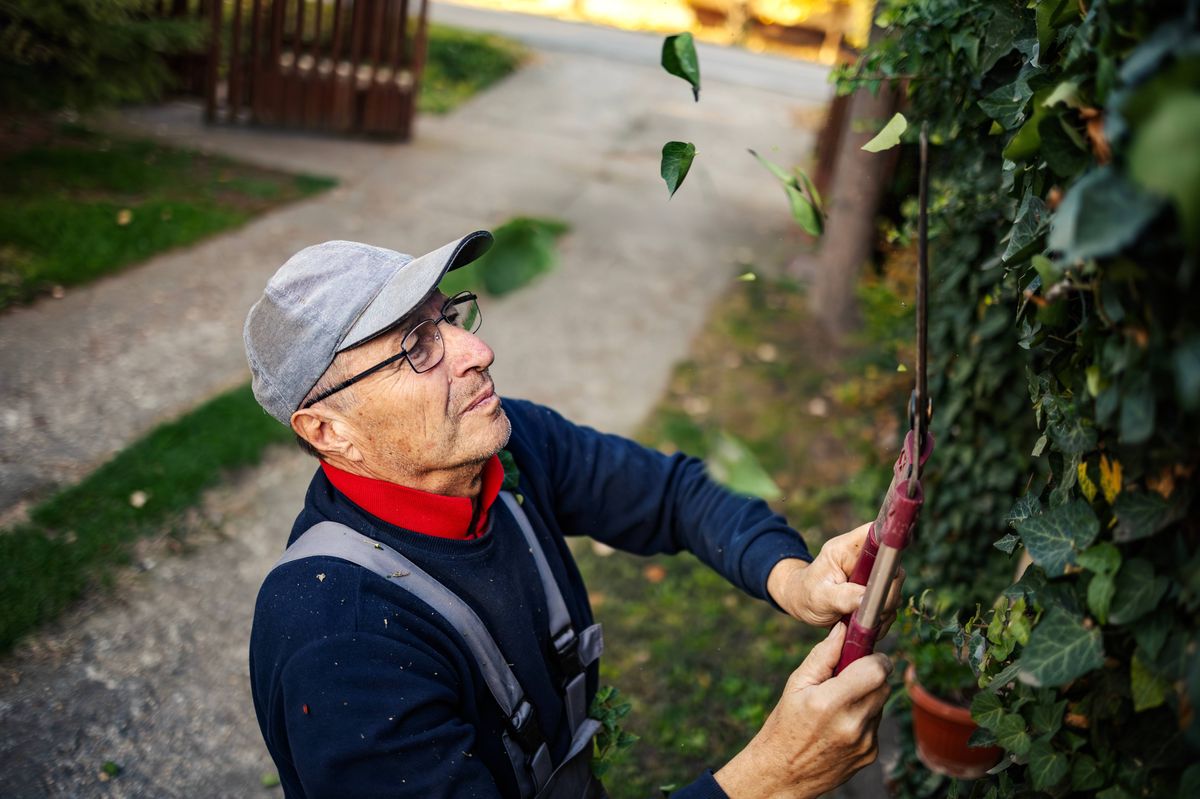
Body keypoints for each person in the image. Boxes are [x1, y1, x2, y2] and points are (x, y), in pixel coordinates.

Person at [244, 231, 904, 799]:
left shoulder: (505, 448)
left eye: (449, 317)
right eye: (416, 345)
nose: (476, 352)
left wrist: (793, 577)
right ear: (328, 431)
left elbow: (673, 494)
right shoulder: (337, 646)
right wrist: (769, 777)